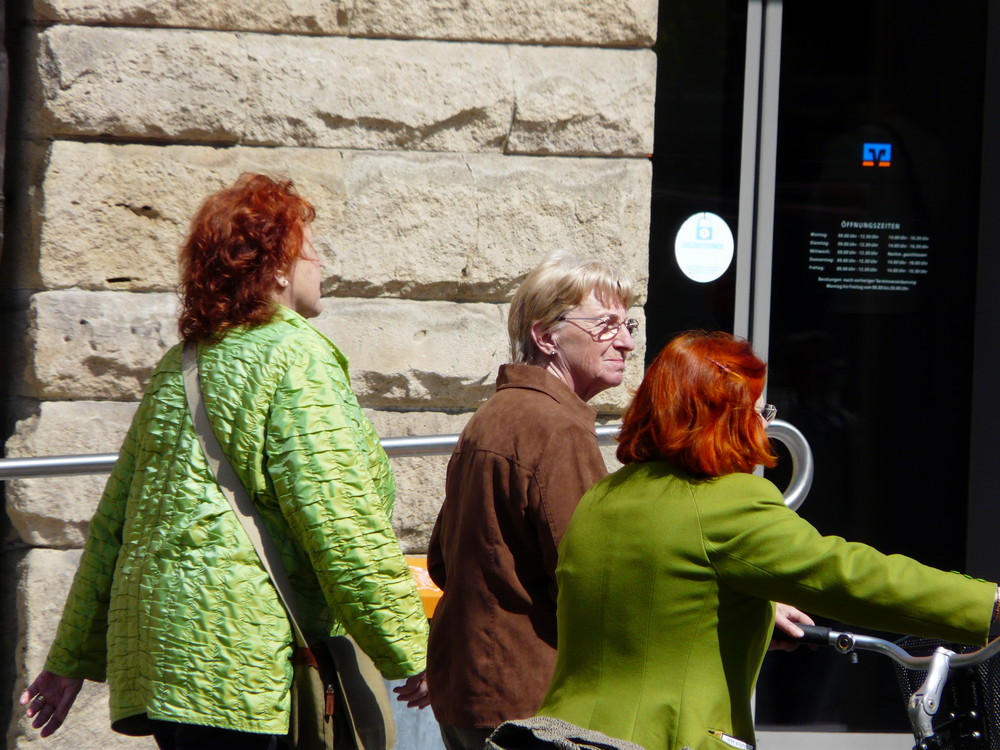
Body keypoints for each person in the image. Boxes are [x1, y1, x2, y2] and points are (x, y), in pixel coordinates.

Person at [19, 173, 430, 748]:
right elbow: (340, 522)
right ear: (279, 265)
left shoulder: (178, 365)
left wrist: (70, 660)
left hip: (163, 662)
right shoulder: (295, 358)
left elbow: (115, 525)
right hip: (241, 657)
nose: (324, 264)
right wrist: (410, 647)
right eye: (314, 249)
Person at [536, 330, 999, 750]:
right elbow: (845, 574)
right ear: (725, 419)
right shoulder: (725, 501)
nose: (765, 427)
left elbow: (649, 607)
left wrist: (752, 615)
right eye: (760, 412)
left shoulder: (604, 496)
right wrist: (989, 603)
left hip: (566, 733)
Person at [425, 253, 638, 750]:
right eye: (605, 325)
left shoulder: (493, 415)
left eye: (627, 324)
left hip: (470, 689)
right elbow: (591, 584)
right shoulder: (557, 429)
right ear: (546, 337)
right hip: (529, 705)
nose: (626, 341)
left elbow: (441, 560)